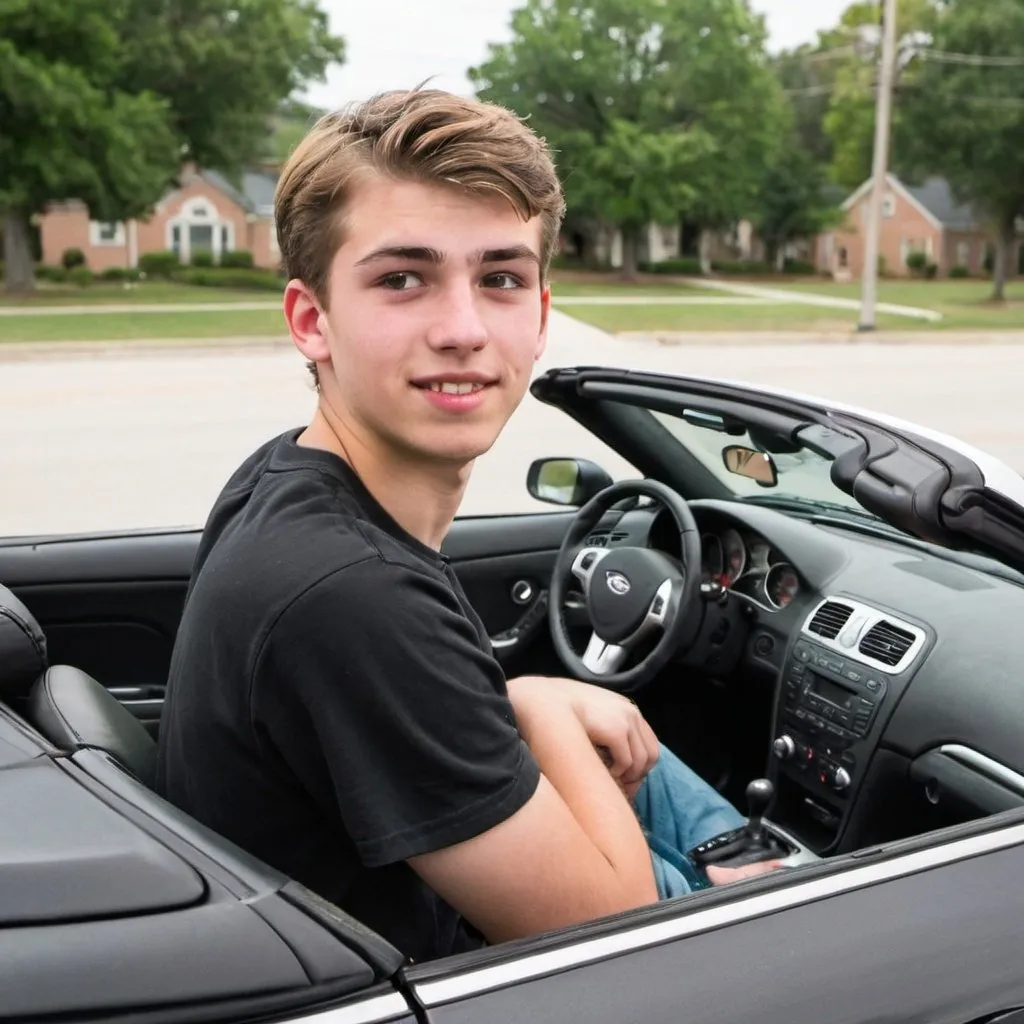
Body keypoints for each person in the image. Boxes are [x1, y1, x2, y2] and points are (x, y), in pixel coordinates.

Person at [155, 88, 776, 965]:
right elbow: (625, 937)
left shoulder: (285, 478)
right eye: (402, 279)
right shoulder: (350, 595)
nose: (463, 329)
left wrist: (524, 706)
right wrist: (539, 706)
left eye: (501, 279)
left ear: (542, 314)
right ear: (311, 320)